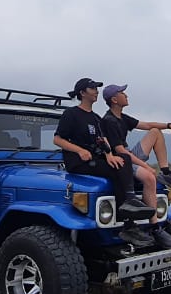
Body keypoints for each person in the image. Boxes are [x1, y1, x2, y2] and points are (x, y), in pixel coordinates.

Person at [54, 77, 155, 249]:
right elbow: (57, 139)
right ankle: (129, 217)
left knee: (123, 160)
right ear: (82, 93)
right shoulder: (71, 114)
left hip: (95, 159)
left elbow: (102, 140)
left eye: (96, 88)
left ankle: (129, 212)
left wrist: (109, 155)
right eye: (92, 88)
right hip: (78, 162)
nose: (96, 91)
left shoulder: (95, 118)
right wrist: (78, 150)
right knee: (118, 170)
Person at [100, 83, 171, 249]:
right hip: (120, 161)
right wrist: (144, 166)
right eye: (122, 93)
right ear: (114, 99)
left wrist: (170, 126)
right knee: (149, 178)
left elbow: (147, 125)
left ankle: (166, 172)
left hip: (128, 155)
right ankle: (155, 227)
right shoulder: (109, 121)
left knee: (155, 132)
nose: (126, 95)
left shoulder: (122, 118)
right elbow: (120, 151)